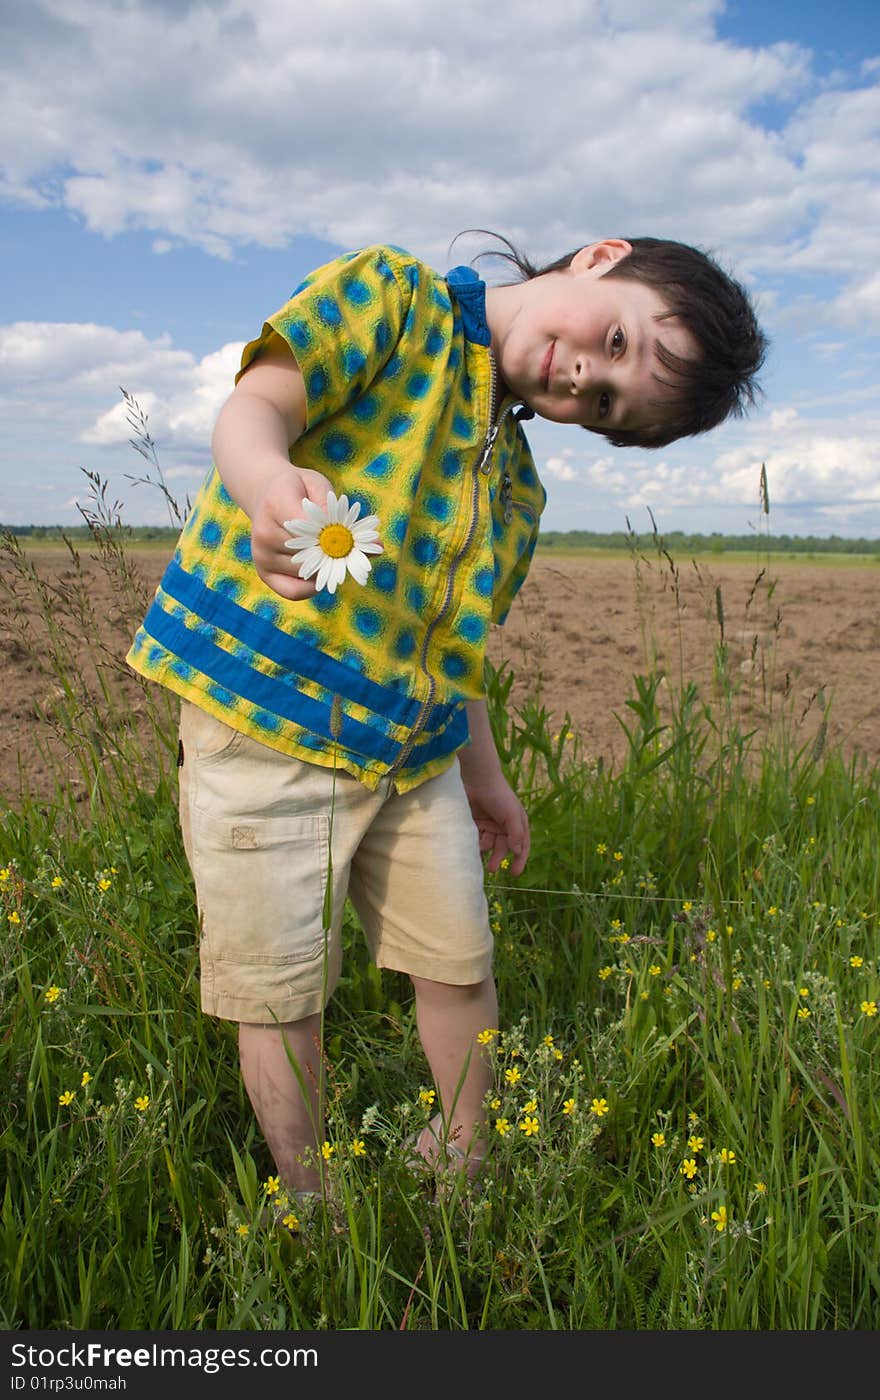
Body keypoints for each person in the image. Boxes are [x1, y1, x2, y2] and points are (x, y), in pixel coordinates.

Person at [126, 232, 766, 1202]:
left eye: (604, 406)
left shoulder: (513, 487)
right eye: (618, 341)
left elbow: (450, 652)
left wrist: (485, 775)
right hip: (261, 718)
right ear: (601, 257)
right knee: (281, 989)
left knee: (459, 962)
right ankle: (314, 1203)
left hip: (415, 755)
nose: (586, 376)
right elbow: (257, 401)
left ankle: (464, 1159)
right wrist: (267, 483)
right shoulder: (392, 298)